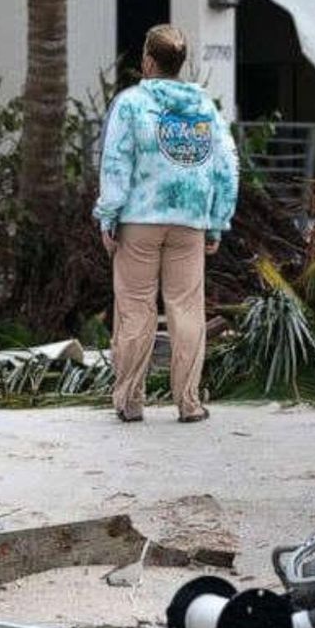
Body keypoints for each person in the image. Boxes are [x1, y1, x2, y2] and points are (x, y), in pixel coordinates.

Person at [93, 24, 238, 424]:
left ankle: (130, 400)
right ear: (181, 63)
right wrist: (217, 222)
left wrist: (108, 216)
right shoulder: (205, 106)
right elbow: (227, 167)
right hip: (190, 222)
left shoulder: (131, 103)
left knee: (136, 308)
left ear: (148, 61)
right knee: (187, 309)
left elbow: (116, 163)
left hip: (139, 220)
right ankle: (188, 402)